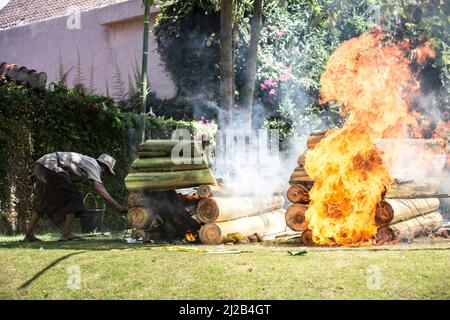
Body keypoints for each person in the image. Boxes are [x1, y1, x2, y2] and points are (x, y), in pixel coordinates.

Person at [23, 152, 128, 242]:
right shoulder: (93, 165)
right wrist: (117, 206)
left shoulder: (85, 161)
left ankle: (29, 235)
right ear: (104, 167)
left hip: (42, 165)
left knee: (45, 201)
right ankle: (66, 234)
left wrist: (36, 174)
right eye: (107, 172)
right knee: (74, 197)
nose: (105, 174)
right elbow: (98, 186)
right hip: (50, 166)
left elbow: (58, 164)